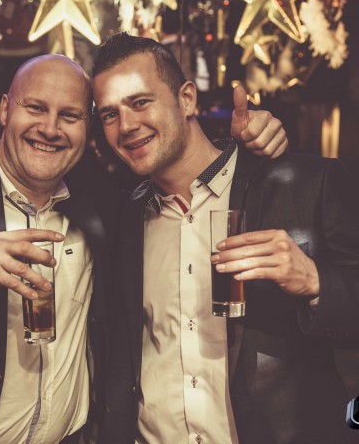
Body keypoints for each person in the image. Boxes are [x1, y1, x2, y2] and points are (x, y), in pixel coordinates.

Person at [0, 53, 284, 444]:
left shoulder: (104, 205)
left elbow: (180, 161)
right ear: (5, 110)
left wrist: (247, 146)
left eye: (70, 116)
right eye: (35, 108)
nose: (50, 128)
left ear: (87, 129)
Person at [91, 33, 359, 444]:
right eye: (110, 114)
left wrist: (316, 282)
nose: (126, 126)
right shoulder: (124, 216)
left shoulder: (304, 184)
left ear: (186, 99)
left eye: (140, 102)